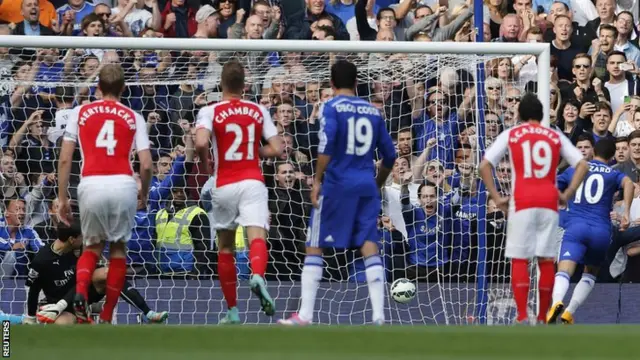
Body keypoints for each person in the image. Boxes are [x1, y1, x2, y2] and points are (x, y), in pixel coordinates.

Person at [278, 59, 396, 326]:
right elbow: (390, 155)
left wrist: (317, 179)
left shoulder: (330, 106)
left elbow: (327, 145)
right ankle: (379, 316)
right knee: (369, 244)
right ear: (357, 82)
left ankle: (305, 314)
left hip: (337, 184)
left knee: (315, 244)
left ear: (331, 84)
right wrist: (376, 182)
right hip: (365, 183)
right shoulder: (374, 112)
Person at [478, 93, 589, 325]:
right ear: (540, 114)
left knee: (519, 258)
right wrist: (567, 193)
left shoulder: (512, 133)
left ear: (520, 114)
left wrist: (497, 197)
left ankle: (521, 315)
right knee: (546, 259)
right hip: (548, 200)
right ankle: (541, 316)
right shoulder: (554, 135)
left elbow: (484, 164)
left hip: (523, 199)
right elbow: (582, 164)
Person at [57, 64, 154, 324]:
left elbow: (65, 158)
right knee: (118, 249)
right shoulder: (134, 116)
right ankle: (108, 314)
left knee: (91, 246)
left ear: (98, 87)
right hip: (123, 184)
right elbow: (145, 164)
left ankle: (79, 292)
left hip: (92, 183)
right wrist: (143, 192)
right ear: (123, 88)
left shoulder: (80, 111)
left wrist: (62, 196)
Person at [194, 59, 283, 324]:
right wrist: (255, 151)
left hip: (224, 183)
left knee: (225, 246)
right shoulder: (257, 110)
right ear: (245, 86)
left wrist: (207, 163)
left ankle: (232, 310)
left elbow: (200, 142)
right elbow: (277, 149)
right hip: (252, 181)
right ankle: (257, 274)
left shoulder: (210, 111)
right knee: (257, 235)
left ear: (221, 84)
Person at [547, 138, 633, 324]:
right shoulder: (613, 173)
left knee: (564, 270)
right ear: (612, 156)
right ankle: (569, 312)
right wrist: (626, 211)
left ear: (593, 151)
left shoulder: (576, 169)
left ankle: (556, 302)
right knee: (590, 273)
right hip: (601, 230)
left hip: (576, 226)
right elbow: (629, 184)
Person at [23, 220, 168, 325]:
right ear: (72, 239)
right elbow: (33, 290)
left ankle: (148, 313)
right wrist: (30, 318)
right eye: (81, 237)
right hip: (61, 305)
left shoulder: (78, 251)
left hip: (81, 294)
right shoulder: (42, 260)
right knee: (63, 325)